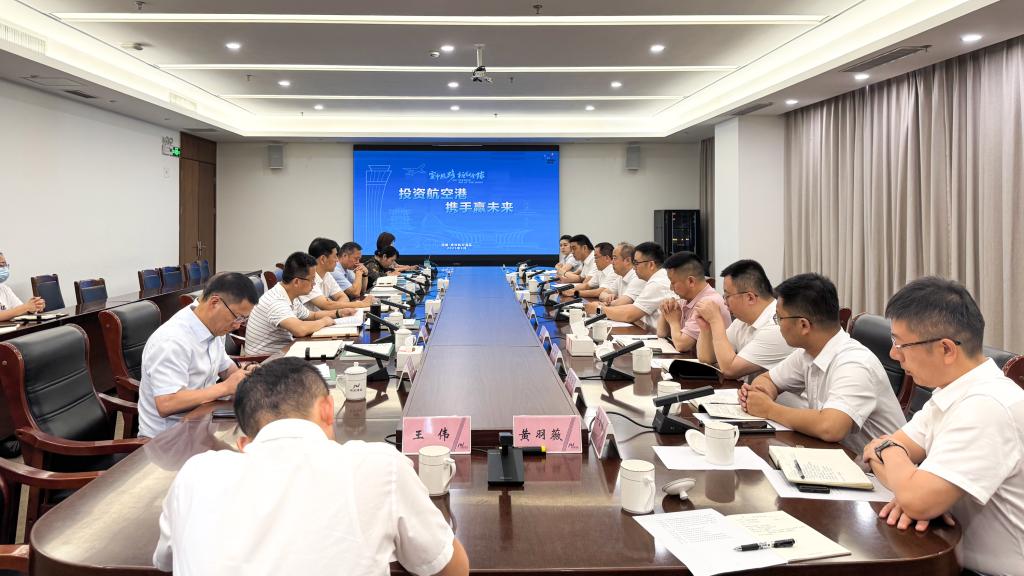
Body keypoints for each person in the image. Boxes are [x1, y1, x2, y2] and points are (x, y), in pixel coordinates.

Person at [153, 357, 470, 576]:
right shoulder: (379, 466)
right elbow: (450, 567)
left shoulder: (194, 475)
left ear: (243, 440)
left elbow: (166, 560)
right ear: (328, 409)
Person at [861, 277, 1023, 575]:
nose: (894, 354)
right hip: (947, 553)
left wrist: (912, 489)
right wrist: (909, 486)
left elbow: (915, 497)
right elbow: (877, 452)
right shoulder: (950, 392)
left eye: (901, 343)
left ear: (946, 349)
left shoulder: (988, 405)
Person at [739, 273, 906, 454]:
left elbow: (831, 427)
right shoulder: (808, 352)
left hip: (880, 468)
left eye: (779, 318)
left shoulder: (855, 363)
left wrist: (769, 409)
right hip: (837, 457)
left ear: (804, 325)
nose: (777, 325)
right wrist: (761, 394)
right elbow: (767, 379)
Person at [138, 273, 259, 438]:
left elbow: (225, 369)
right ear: (214, 302)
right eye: (237, 317)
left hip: (202, 423)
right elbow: (167, 403)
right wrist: (225, 387)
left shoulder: (212, 325)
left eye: (243, 319)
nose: (237, 325)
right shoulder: (172, 340)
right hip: (168, 439)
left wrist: (245, 374)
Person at [695, 259, 794, 381]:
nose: (724, 302)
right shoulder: (742, 320)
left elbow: (729, 370)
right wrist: (706, 328)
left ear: (750, 298)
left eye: (727, 296)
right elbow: (707, 358)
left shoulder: (776, 327)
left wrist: (716, 320)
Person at [244, 252, 339, 356]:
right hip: (266, 360)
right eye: (312, 279)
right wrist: (324, 321)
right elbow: (300, 329)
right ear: (296, 282)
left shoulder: (290, 295)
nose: (314, 283)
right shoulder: (276, 301)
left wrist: (339, 313)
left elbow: (313, 315)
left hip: (285, 351)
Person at [585, 242, 672, 330]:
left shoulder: (657, 282)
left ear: (651, 265)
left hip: (655, 333)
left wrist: (600, 309)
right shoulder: (654, 278)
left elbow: (630, 314)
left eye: (636, 263)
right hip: (648, 329)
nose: (633, 268)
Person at [656, 251, 731, 353]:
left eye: (673, 282)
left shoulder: (708, 303)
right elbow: (661, 333)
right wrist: (665, 310)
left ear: (691, 281)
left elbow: (681, 345)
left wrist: (673, 321)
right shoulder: (686, 299)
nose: (671, 288)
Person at [301, 238, 371, 313]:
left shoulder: (327, 274)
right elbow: (326, 305)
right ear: (323, 259)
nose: (337, 260)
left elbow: (343, 297)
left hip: (326, 317)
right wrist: (360, 304)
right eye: (335, 256)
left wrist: (332, 305)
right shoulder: (306, 278)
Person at [0, 251, 45, 321]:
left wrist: (33, 307)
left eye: (5, 265)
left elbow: (19, 309)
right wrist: (26, 307)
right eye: (1, 265)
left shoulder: (4, 288)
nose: (4, 268)